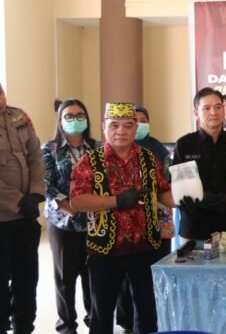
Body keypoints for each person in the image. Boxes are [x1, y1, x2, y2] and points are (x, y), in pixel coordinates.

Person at [70, 102, 174, 334]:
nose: (121, 131)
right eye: (114, 125)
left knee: (147, 311)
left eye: (128, 125)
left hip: (145, 246)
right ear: (104, 127)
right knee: (102, 313)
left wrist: (186, 198)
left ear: (135, 127)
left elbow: (163, 192)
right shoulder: (90, 161)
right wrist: (116, 201)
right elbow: (77, 201)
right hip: (106, 249)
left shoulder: (148, 158)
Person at [115, 104, 174, 334]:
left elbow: (167, 182)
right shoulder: (114, 151)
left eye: (142, 120)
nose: (138, 125)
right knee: (123, 278)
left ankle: (153, 321)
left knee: (152, 274)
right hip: (123, 225)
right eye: (134, 121)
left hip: (158, 219)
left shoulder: (157, 149)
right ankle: (126, 322)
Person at [42, 99, 98, 334]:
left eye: (79, 115)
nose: (75, 120)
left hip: (95, 223)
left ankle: (95, 322)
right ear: (60, 120)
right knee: (65, 278)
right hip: (63, 222)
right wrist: (68, 206)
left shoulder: (98, 147)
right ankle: (67, 326)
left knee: (93, 276)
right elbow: (45, 183)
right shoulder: (50, 149)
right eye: (69, 116)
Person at [172, 89, 226, 241]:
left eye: (218, 107)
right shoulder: (184, 144)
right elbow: (176, 185)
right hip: (195, 229)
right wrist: (196, 198)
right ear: (196, 113)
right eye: (207, 108)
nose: (213, 112)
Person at [0, 83, 45, 334]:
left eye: (0, 92)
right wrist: (19, 202)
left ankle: (24, 327)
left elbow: (35, 156)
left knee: (27, 279)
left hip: (25, 218)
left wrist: (36, 193)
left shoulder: (19, 116)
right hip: (3, 218)